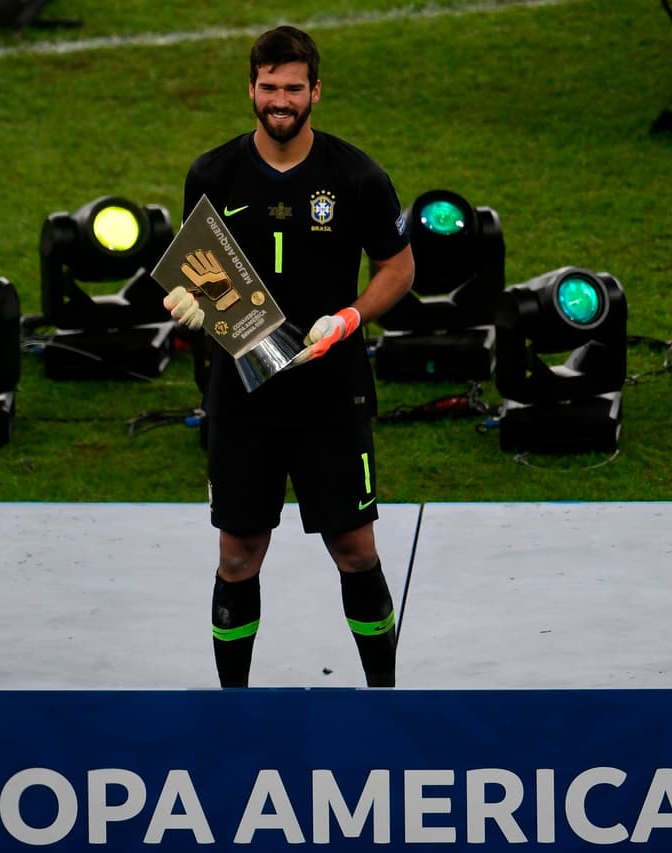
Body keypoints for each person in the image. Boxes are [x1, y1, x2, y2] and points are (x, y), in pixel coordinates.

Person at [163, 25, 415, 688]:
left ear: (315, 93)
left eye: (293, 88)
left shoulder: (356, 175)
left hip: (332, 392)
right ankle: (232, 705)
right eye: (269, 87)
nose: (280, 100)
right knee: (239, 556)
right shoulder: (212, 173)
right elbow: (199, 271)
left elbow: (398, 265)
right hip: (243, 397)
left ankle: (384, 698)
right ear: (251, 89)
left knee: (356, 550)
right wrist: (190, 303)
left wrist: (352, 315)